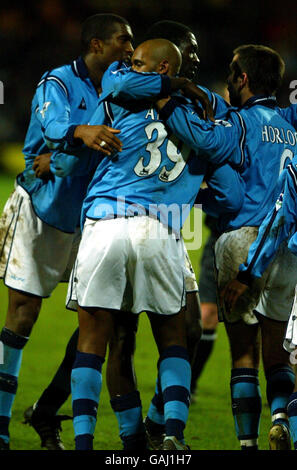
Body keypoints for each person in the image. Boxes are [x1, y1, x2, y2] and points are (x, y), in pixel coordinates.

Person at [22, 20, 232, 451]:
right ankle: (153, 434)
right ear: (168, 64)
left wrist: (57, 158)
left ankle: (120, 434)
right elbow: (227, 168)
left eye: (192, 51)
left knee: (107, 335)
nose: (128, 63)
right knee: (143, 334)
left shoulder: (122, 93)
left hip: (114, 223)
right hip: (161, 228)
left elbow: (87, 138)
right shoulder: (201, 112)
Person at [0, 13, 134, 451]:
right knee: (22, 316)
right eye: (122, 41)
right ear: (96, 44)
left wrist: (59, 159)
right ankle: (0, 428)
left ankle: (46, 410)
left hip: (91, 220)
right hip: (41, 210)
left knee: (100, 320)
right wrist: (79, 133)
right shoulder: (56, 82)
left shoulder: (123, 86)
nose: (129, 49)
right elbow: (54, 128)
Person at [155, 44, 297, 450]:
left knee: (243, 356)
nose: (229, 80)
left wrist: (167, 104)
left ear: (243, 79)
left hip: (242, 241)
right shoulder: (289, 127)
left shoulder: (242, 124)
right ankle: (282, 418)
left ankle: (248, 445)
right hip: (286, 247)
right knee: (278, 354)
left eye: (232, 73)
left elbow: (205, 140)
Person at [190, 215, 220, 400]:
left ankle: (279, 392)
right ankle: (189, 382)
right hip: (221, 235)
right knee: (207, 314)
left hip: (272, 239)